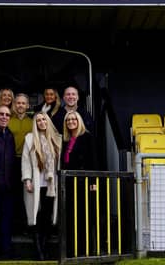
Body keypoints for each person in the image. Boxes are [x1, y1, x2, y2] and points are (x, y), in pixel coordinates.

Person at [21, 112, 61, 260]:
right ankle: (39, 252)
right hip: (36, 184)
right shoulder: (30, 139)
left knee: (47, 216)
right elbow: (25, 161)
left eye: (44, 119)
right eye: (38, 120)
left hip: (51, 185)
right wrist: (27, 180)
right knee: (36, 216)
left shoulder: (57, 139)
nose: (42, 122)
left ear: (48, 121)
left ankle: (44, 249)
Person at [61, 110, 97, 258]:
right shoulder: (66, 139)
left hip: (84, 183)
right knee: (71, 217)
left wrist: (93, 182)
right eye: (68, 120)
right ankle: (71, 250)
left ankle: (85, 250)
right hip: (69, 184)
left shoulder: (87, 137)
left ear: (79, 120)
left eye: (73, 119)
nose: (71, 122)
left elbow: (94, 160)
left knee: (85, 217)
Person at [0, 104, 17, 260]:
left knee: (7, 219)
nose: (4, 117)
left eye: (7, 115)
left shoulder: (10, 134)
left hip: (8, 185)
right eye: (1, 114)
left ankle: (6, 251)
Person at [8, 93, 33, 232]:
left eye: (23, 103)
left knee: (27, 194)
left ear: (27, 105)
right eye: (18, 103)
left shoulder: (33, 122)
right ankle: (14, 225)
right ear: (14, 105)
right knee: (14, 194)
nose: (21, 105)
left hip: (28, 163)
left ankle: (27, 225)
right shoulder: (8, 120)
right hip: (12, 161)